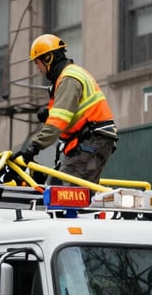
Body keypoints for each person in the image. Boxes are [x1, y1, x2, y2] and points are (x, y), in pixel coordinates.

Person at [13, 34, 117, 185]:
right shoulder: (71, 75)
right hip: (92, 140)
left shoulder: (68, 79)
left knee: (64, 192)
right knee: (74, 192)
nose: (39, 69)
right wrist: (49, 113)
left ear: (48, 59)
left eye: (38, 63)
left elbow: (57, 123)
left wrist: (33, 148)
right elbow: (73, 111)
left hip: (90, 140)